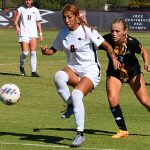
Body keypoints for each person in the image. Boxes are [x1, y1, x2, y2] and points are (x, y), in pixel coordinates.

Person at [41, 4, 120, 147]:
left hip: (91, 72)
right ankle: (70, 105)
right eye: (64, 17)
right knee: (58, 76)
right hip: (74, 70)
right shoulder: (63, 33)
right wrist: (46, 51)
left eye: (69, 17)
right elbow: (53, 50)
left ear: (77, 17)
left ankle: (80, 134)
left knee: (77, 94)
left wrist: (114, 58)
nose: (66, 20)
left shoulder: (87, 31)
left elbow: (108, 46)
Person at [100, 18, 150, 138]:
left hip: (133, 72)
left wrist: (147, 62)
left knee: (145, 101)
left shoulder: (131, 42)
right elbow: (91, 43)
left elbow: (143, 50)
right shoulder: (106, 39)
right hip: (115, 72)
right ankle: (123, 130)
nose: (114, 34)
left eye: (117, 31)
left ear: (125, 32)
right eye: (112, 31)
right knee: (112, 98)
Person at [14, 0, 43, 77]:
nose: (27, 1)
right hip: (23, 34)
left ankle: (33, 72)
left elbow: (38, 22)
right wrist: (17, 27)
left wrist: (40, 34)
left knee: (33, 52)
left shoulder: (36, 10)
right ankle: (21, 66)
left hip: (33, 34)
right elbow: (15, 21)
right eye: (26, 0)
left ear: (32, 1)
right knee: (25, 53)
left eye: (29, 0)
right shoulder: (21, 9)